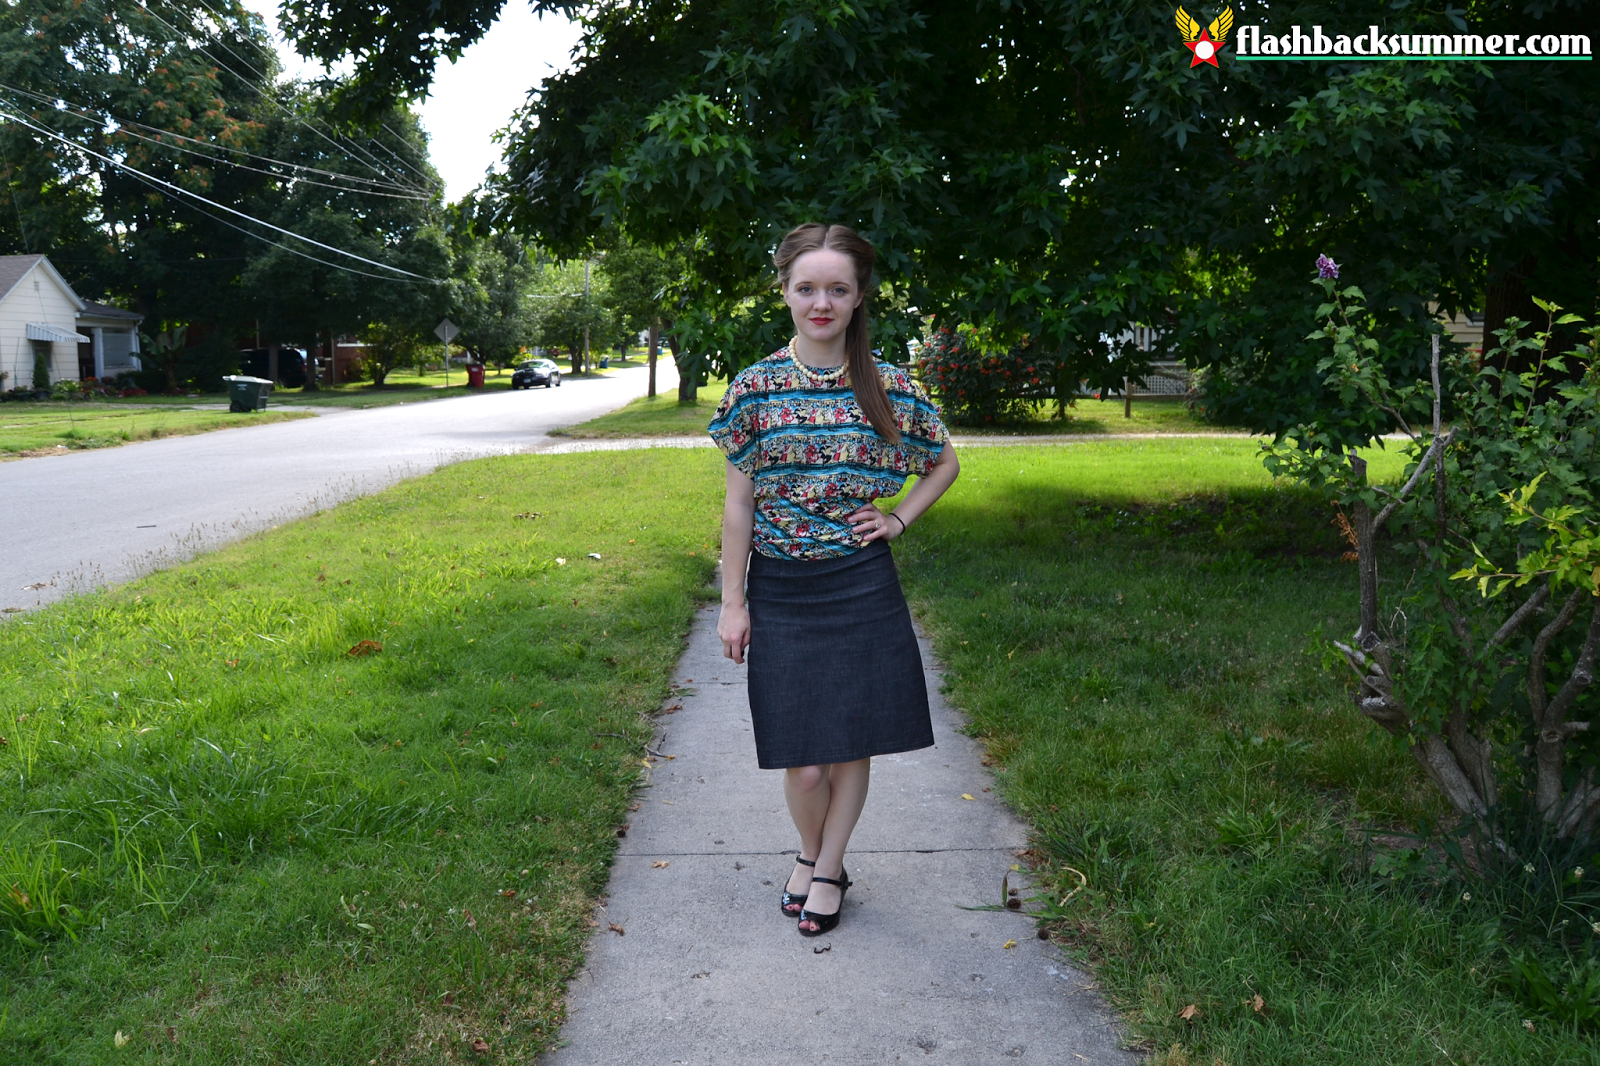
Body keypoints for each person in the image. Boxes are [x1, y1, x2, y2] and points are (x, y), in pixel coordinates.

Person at [709, 222, 960, 936]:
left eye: (838, 290)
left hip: (860, 584)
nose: (822, 303)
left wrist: (898, 519)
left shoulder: (891, 387)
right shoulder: (756, 388)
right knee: (804, 761)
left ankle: (827, 867)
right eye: (807, 288)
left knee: (851, 742)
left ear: (858, 298)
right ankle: (812, 851)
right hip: (782, 588)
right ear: (786, 293)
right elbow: (738, 505)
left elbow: (944, 463)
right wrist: (732, 603)